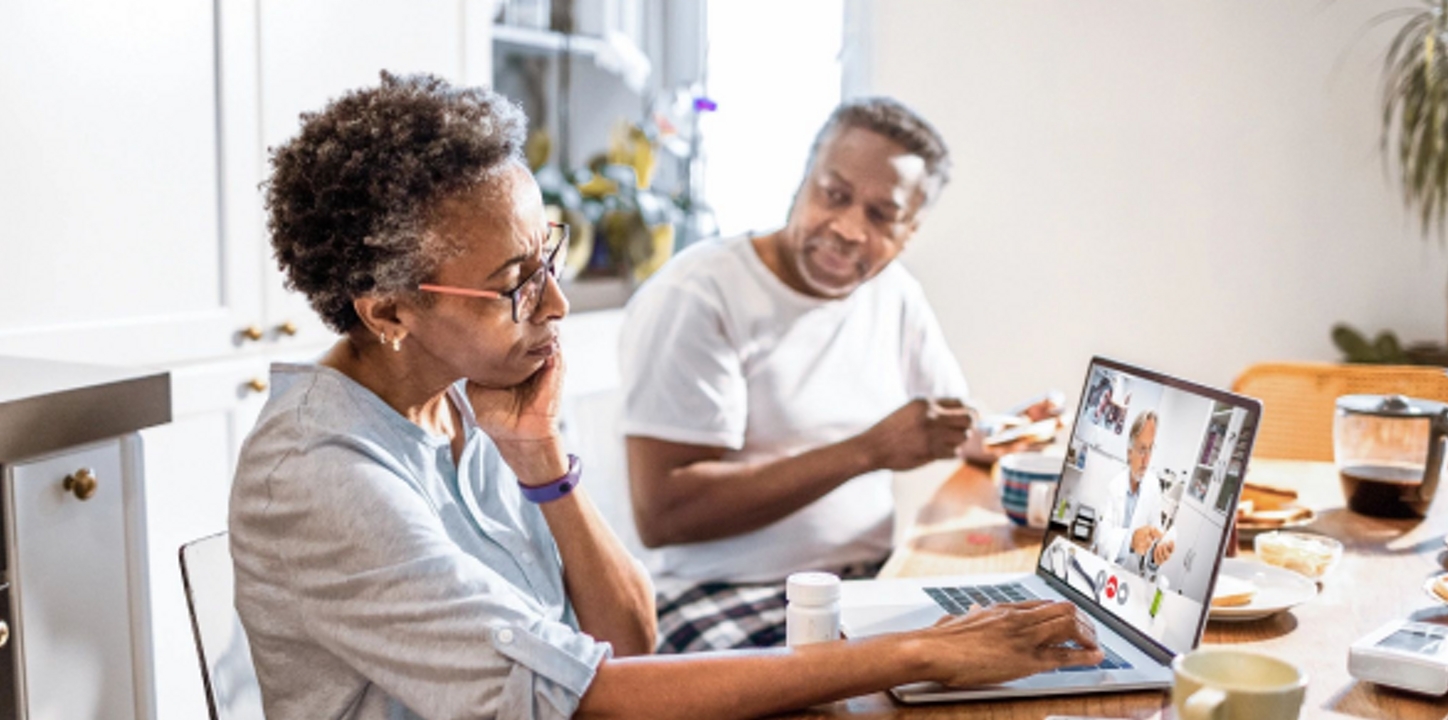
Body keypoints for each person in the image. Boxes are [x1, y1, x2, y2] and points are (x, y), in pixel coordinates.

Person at [228, 72, 1103, 720]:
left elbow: (629, 641)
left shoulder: (465, 405)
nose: (557, 305)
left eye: (548, 259)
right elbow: (592, 694)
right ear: (388, 311)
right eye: (515, 283)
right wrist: (915, 653)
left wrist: (544, 465)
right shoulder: (323, 474)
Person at [618, 98, 1059, 653]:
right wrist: (868, 451)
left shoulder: (893, 293)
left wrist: (1011, 433)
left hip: (868, 581)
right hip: (723, 594)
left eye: (881, 216)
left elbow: (946, 422)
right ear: (803, 181)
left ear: (908, 234)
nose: (849, 228)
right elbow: (664, 514)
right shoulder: (698, 295)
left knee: (1019, 656)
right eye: (835, 194)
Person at [1093, 411, 1175, 573]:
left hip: (1132, 576)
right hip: (1106, 570)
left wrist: (1155, 557)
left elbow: (1154, 540)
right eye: (1142, 449)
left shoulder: (1153, 487)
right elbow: (1101, 540)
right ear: (1129, 452)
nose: (1146, 460)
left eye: (1150, 449)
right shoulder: (1113, 486)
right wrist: (1130, 541)